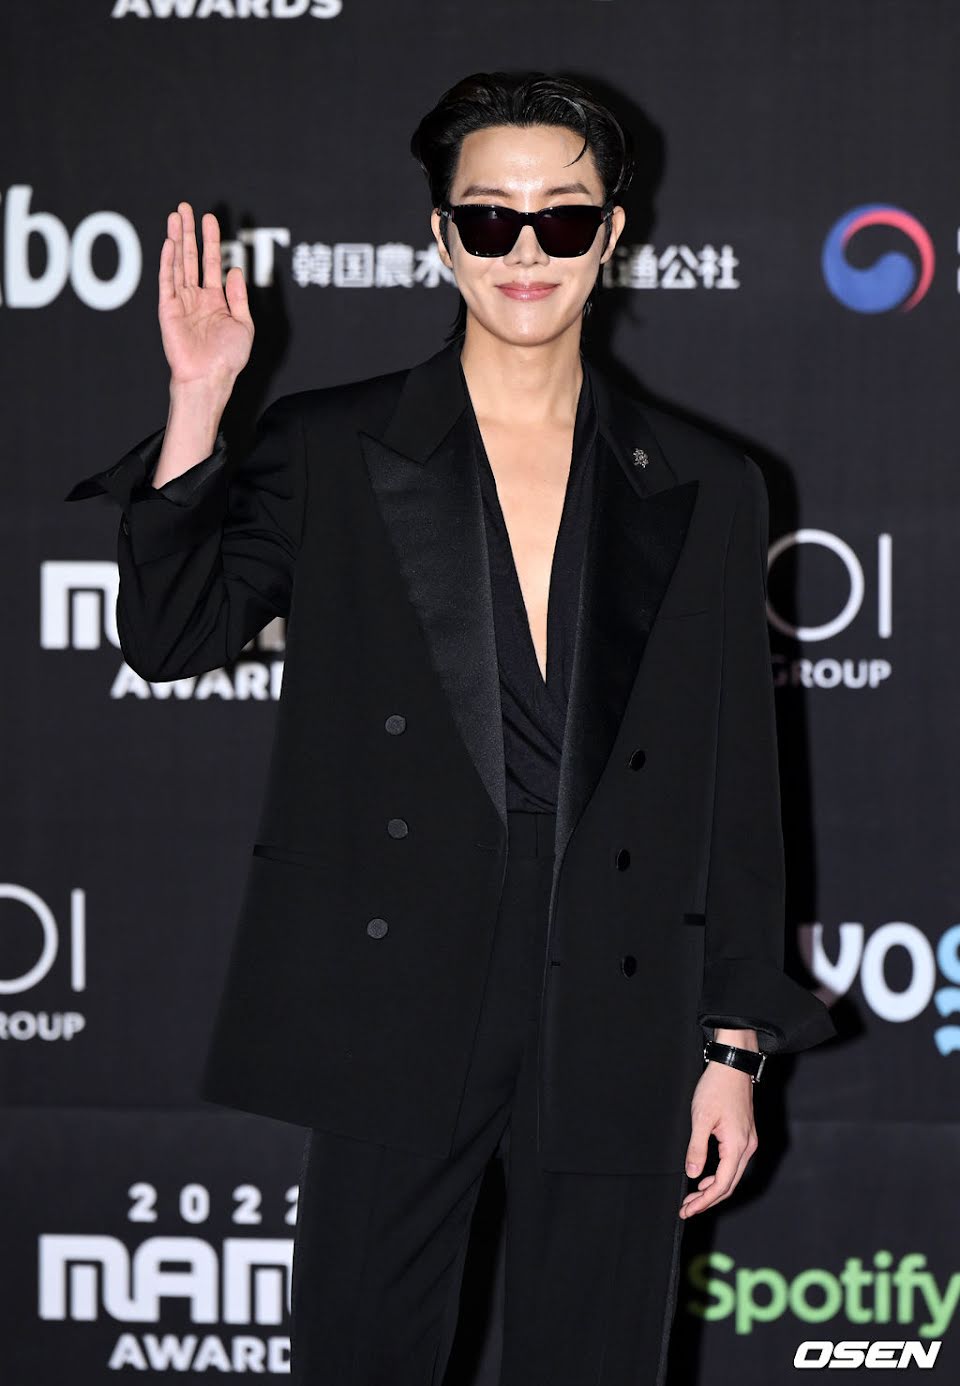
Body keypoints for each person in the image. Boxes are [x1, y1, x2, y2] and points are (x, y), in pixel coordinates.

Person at [64, 70, 835, 1386]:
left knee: (597, 1357)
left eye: (562, 218)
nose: (525, 251)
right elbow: (171, 635)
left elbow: (737, 788)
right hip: (398, 980)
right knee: (363, 1349)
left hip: (621, 986)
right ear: (440, 236)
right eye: (489, 219)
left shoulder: (706, 481)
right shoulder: (333, 445)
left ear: (612, 232)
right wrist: (198, 402)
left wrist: (731, 1046)